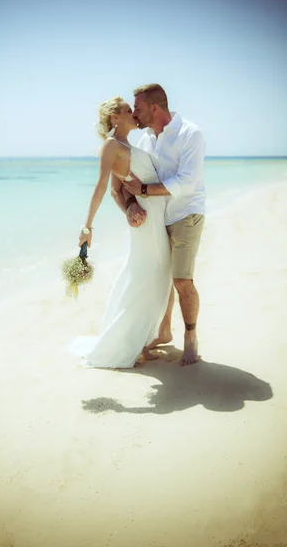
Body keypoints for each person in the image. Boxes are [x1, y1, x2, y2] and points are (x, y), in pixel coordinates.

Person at [69, 96, 172, 369]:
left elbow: (120, 189)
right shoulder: (111, 146)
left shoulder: (128, 145)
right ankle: (127, 342)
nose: (134, 113)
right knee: (146, 276)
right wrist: (87, 226)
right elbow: (104, 186)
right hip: (146, 222)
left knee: (156, 276)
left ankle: (140, 339)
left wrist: (129, 206)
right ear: (115, 117)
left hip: (156, 216)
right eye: (129, 110)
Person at [121, 83, 206, 366]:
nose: (134, 113)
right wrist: (132, 204)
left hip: (185, 213)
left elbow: (186, 182)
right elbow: (126, 181)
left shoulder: (190, 133)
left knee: (181, 279)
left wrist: (143, 191)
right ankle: (164, 330)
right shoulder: (145, 139)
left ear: (154, 108)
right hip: (156, 218)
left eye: (138, 107)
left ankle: (191, 338)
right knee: (160, 278)